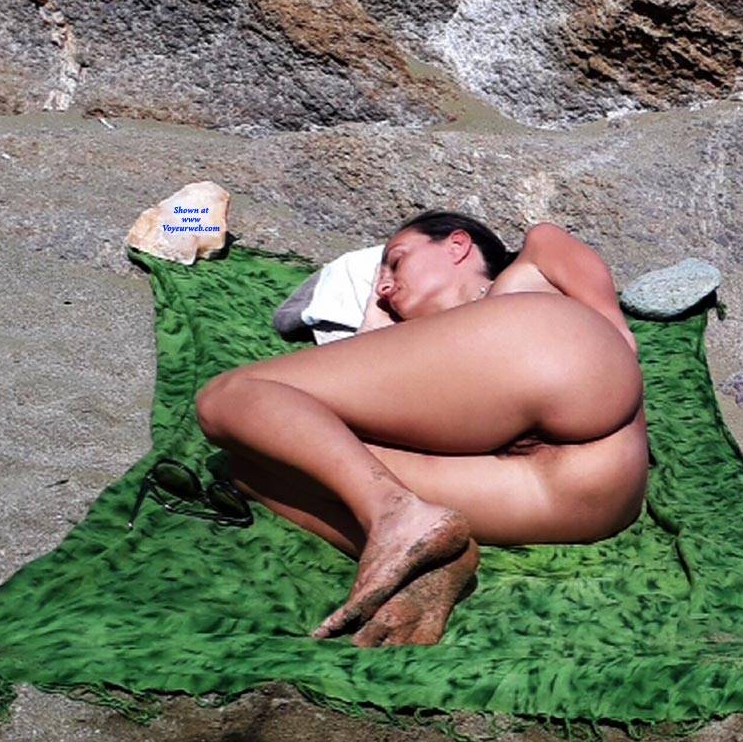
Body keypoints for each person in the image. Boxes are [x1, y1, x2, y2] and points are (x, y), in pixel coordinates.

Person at [195, 210, 648, 647]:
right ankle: (426, 559)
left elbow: (549, 238)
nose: (384, 285)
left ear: (457, 246)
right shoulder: (434, 382)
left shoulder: (515, 283)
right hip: (593, 494)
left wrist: (611, 323)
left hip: (562, 355)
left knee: (227, 398)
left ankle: (393, 514)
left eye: (397, 260)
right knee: (256, 464)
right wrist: (377, 323)